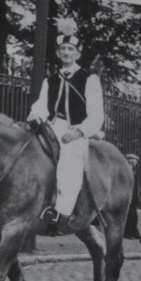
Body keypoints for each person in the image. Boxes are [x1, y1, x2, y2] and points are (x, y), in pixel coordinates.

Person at [26, 19, 104, 227]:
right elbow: (41, 105)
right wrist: (36, 115)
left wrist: (79, 132)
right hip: (52, 125)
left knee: (69, 158)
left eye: (70, 49)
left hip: (74, 129)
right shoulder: (49, 80)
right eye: (63, 49)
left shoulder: (89, 79)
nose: (66, 52)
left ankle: (62, 211)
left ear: (78, 53)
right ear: (58, 53)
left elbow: (96, 114)